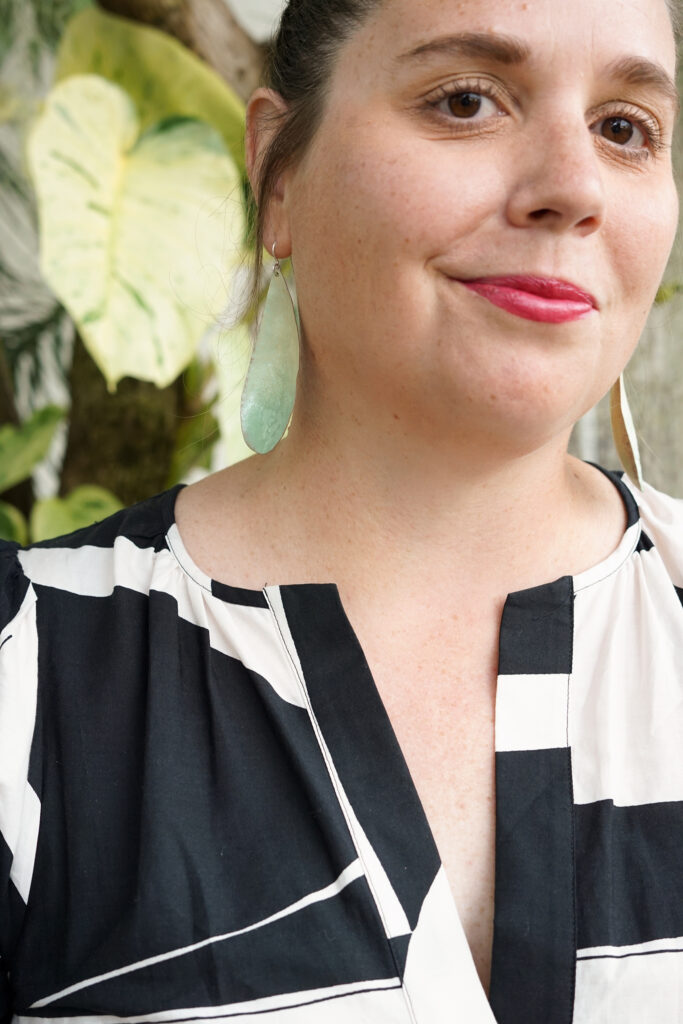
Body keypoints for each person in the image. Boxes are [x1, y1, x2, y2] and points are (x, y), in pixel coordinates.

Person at [1, 0, 682, 1020]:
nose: (572, 188)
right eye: (465, 100)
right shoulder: (29, 671)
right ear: (279, 174)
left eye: (623, 127)